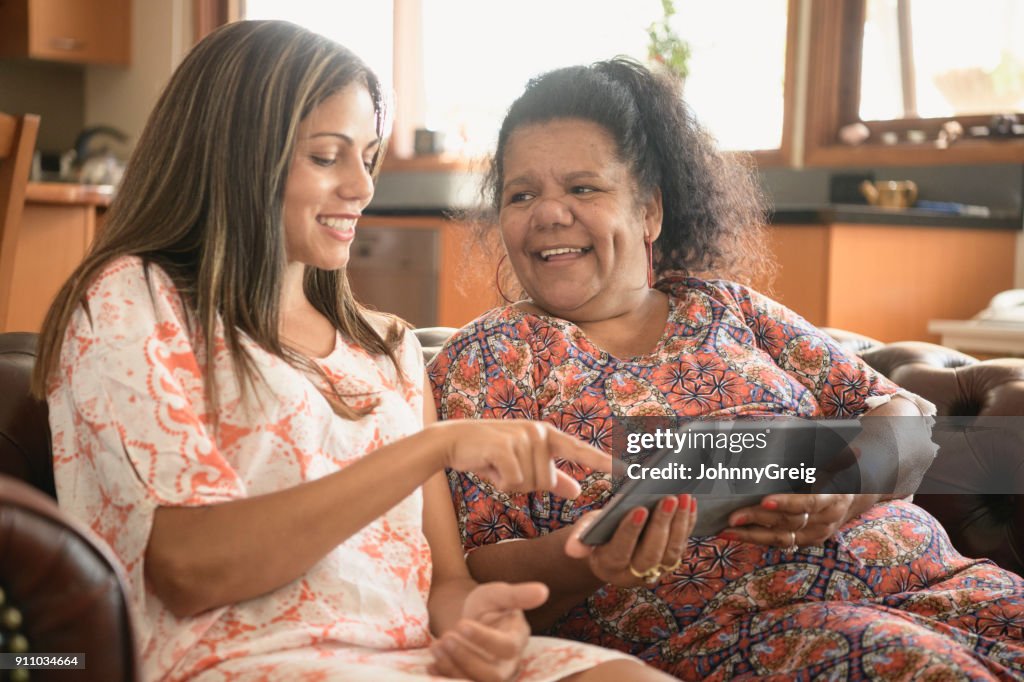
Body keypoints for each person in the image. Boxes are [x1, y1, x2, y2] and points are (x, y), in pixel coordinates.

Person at [30, 23, 675, 682]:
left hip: (416, 661)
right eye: (326, 156)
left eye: (366, 156)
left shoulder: (388, 348)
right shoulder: (132, 301)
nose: (361, 187)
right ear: (235, 153)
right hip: (247, 662)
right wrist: (433, 446)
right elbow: (191, 571)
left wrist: (484, 628)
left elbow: (443, 587)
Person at [427, 57, 1024, 679]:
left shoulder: (725, 305)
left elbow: (903, 415)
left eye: (583, 188)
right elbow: (480, 567)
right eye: (522, 194)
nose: (549, 213)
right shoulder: (487, 359)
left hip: (941, 582)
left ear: (650, 211)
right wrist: (596, 558)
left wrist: (846, 490)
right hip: (755, 628)